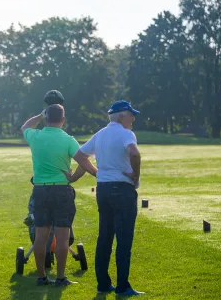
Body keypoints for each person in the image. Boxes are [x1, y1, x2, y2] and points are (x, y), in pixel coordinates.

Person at [64, 100, 144, 296]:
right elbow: (134, 153)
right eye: (131, 115)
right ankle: (123, 286)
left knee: (105, 237)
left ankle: (103, 284)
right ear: (121, 116)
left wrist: (91, 174)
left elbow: (80, 156)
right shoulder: (126, 134)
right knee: (124, 239)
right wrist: (136, 175)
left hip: (103, 189)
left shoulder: (100, 134)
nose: (133, 118)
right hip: (122, 190)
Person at [21, 97, 86, 287]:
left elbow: (25, 125)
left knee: (40, 237)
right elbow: (83, 161)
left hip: (40, 191)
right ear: (63, 120)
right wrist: (74, 178)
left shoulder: (35, 136)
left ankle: (41, 277)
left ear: (46, 118)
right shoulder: (68, 140)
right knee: (63, 237)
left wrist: (40, 115)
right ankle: (60, 277)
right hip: (62, 190)